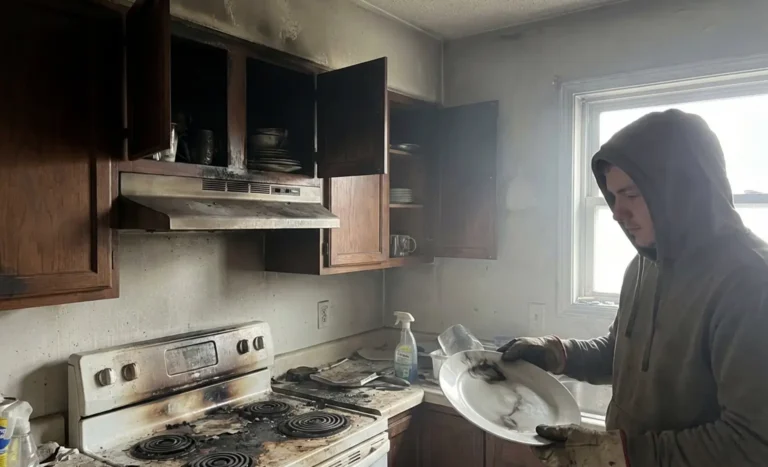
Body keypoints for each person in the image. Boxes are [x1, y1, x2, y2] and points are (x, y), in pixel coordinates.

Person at [499, 109, 768, 467]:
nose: (617, 212)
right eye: (613, 196)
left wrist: (618, 453)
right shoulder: (645, 263)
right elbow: (623, 354)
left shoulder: (750, 281)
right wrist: (559, 353)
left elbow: (751, 442)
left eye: (632, 194)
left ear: (681, 190)